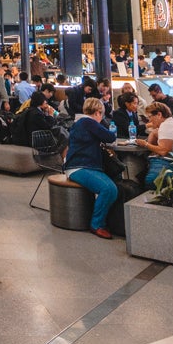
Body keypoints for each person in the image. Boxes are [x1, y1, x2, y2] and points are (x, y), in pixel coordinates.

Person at [64, 97, 118, 239]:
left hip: (78, 165)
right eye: (102, 114)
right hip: (79, 167)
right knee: (109, 188)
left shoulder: (80, 122)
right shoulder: (88, 122)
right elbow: (110, 136)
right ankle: (97, 224)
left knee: (110, 186)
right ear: (97, 112)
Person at [137, 102, 173, 187]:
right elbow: (155, 133)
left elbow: (163, 151)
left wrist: (145, 144)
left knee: (151, 180)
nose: (149, 120)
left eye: (150, 117)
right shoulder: (172, 122)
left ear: (159, 114)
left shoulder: (166, 126)